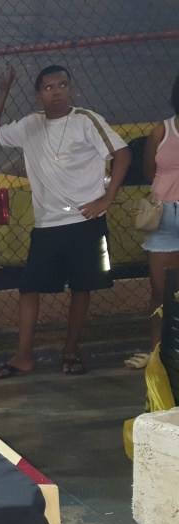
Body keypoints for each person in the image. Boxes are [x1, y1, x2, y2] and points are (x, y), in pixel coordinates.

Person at [0, 65, 130, 378]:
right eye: (48, 87)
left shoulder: (86, 120)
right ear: (38, 95)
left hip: (86, 221)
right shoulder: (30, 125)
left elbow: (123, 153)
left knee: (82, 287)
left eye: (63, 85)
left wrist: (107, 198)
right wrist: (4, 93)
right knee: (29, 288)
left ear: (71, 89)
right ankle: (23, 356)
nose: (57, 91)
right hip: (47, 225)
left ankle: (71, 351)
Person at [129, 73, 179, 370]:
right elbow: (149, 171)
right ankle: (158, 352)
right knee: (160, 291)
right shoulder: (162, 131)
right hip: (163, 217)